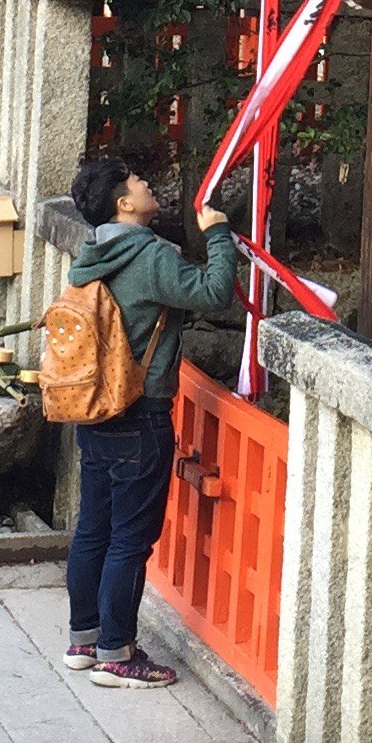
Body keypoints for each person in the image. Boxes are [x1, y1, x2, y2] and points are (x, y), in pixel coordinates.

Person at [60, 157, 238, 688]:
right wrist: (220, 235)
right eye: (139, 180)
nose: (147, 182)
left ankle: (83, 641)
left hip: (94, 408)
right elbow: (213, 293)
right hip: (140, 414)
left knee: (92, 530)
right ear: (124, 203)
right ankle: (118, 655)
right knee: (129, 542)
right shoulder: (149, 257)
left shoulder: (92, 256)